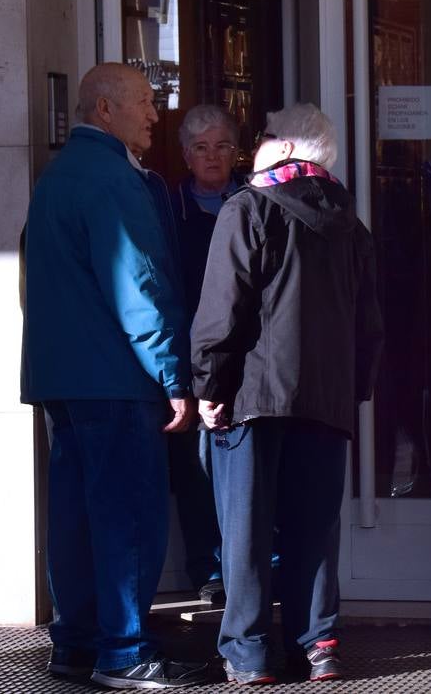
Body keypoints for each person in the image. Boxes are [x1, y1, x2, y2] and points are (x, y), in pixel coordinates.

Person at [22, 62, 206, 689]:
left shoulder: (57, 178)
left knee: (73, 515)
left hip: (62, 378)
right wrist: (174, 376)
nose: (156, 114)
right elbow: (140, 287)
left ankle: (74, 645)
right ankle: (124, 651)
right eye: (144, 103)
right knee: (127, 514)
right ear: (104, 110)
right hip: (116, 377)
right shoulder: (112, 180)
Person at [191, 103, 384, 684]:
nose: (256, 144)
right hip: (326, 400)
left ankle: (248, 655)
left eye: (265, 135)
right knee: (315, 528)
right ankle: (317, 644)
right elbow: (369, 323)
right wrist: (354, 389)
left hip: (253, 398)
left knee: (245, 530)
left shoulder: (247, 208)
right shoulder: (350, 223)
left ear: (285, 147)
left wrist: (209, 383)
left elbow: (222, 312)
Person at [168, 104, 245, 603]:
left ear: (236, 152)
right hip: (189, 355)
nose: (212, 157)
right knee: (194, 472)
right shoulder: (169, 208)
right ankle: (209, 569)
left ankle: (253, 565)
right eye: (200, 148)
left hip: (246, 356)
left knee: (247, 467)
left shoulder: (254, 200)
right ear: (186, 156)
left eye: (221, 146)